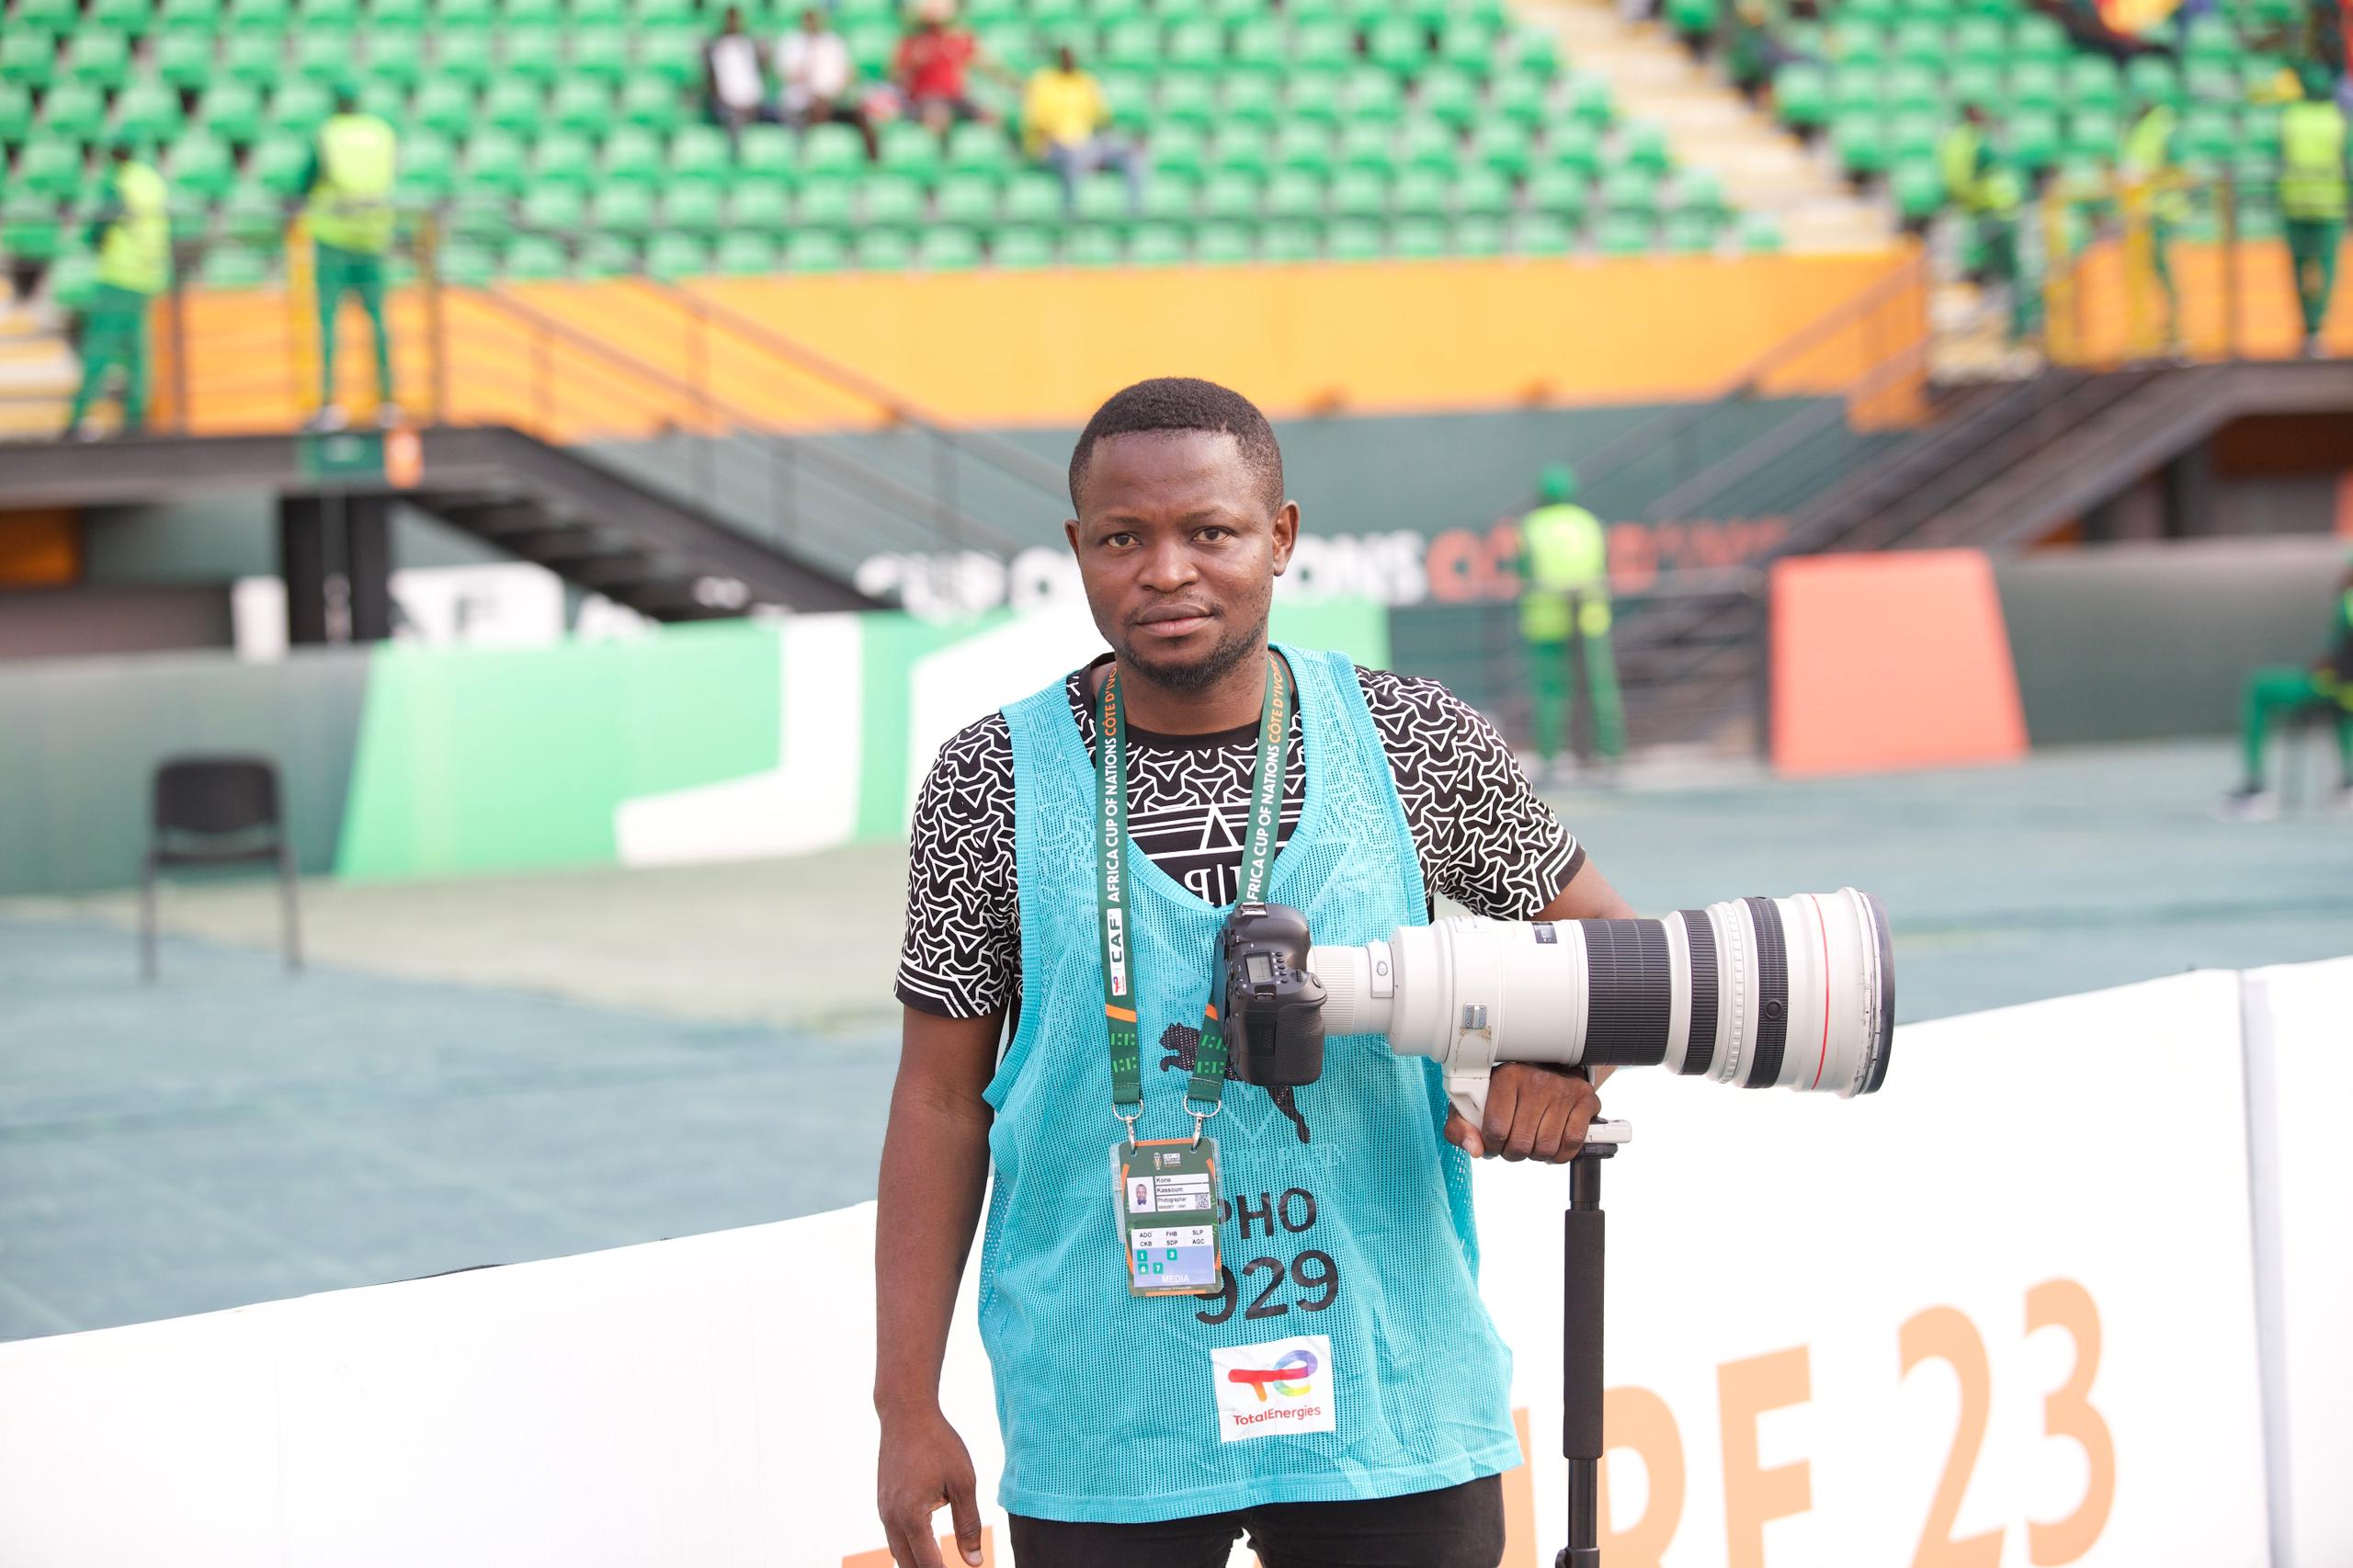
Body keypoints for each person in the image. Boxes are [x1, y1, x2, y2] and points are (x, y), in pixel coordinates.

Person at [875, 378, 1631, 1568]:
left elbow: (1614, 957)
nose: (1166, 569)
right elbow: (933, 1100)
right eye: (1124, 537)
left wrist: (1555, 1057)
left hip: (1385, 1392)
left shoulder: (1412, 738)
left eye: (1210, 531)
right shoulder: (990, 782)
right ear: (1078, 551)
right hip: (1107, 1410)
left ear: (1280, 536)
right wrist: (904, 1405)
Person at [296, 91, 399, 432]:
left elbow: (304, 181)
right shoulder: (383, 133)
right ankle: (388, 403)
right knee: (379, 322)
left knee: (328, 322)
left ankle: (330, 406)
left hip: (333, 237)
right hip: (372, 235)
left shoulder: (328, 134)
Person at [2222, 555, 2353, 819]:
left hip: (2334, 689)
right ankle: (2349, 784)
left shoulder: (2348, 602)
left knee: (2259, 687)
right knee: (2342, 702)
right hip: (2343, 694)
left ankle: (2256, 788)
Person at [1518, 462, 1623, 777]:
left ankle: (1551, 757)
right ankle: (1611, 754)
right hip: (1590, 619)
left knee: (1551, 693)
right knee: (1600, 689)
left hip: (1547, 622)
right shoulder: (1589, 523)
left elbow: (1524, 569)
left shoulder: (1532, 526)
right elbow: (1603, 567)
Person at [64, 143, 168, 440]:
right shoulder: (153, 183)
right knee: (137, 353)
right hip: (147, 278)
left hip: (118, 278)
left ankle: (79, 416)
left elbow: (98, 228)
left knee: (99, 349)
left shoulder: (121, 184)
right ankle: (137, 421)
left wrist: (92, 240)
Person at [1939, 100, 2035, 342]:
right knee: (2012, 274)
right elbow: (1992, 167)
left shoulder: (1954, 141)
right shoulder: (1976, 142)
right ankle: (2019, 329)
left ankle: (1992, 328)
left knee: (1986, 273)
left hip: (1977, 212)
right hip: (1997, 213)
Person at [1022, 45, 1143, 218]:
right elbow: (1039, 124)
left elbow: (1103, 120)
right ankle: (1071, 212)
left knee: (1131, 154)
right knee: (1073, 157)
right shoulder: (1043, 82)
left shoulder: (1086, 82)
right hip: (1055, 147)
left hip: (1087, 145)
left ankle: (1135, 210)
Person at [2281, 65, 2347, 358]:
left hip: (2295, 205)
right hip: (2329, 207)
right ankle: (2316, 331)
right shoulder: (2339, 120)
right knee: (2326, 271)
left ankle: (2308, 329)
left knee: (2299, 270)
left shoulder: (2289, 118)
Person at [2118, 89, 2185, 351]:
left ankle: (2177, 328)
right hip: (2141, 213)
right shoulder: (2140, 127)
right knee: (2146, 272)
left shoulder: (2165, 128)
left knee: (2166, 272)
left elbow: (2180, 168)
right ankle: (2156, 328)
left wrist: (2145, 176)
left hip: (2162, 212)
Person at [892, 0, 1008, 131]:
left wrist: (1012, 83)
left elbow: (987, 65)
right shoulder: (912, 40)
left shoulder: (960, 37)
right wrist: (915, 62)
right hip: (926, 97)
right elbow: (897, 76)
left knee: (989, 117)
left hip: (956, 96)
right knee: (937, 116)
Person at [776, 6, 876, 157]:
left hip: (833, 98)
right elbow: (787, 75)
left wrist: (836, 91)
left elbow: (848, 73)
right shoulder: (792, 43)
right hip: (803, 102)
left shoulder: (833, 42)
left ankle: (872, 158)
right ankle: (809, 156)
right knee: (816, 108)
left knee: (861, 114)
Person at [703, 5, 770, 139]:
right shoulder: (717, 46)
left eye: (737, 20)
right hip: (727, 102)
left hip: (751, 100)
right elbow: (717, 81)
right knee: (732, 121)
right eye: (731, 20)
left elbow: (754, 76)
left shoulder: (749, 44)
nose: (734, 24)